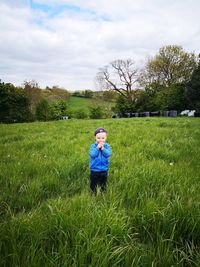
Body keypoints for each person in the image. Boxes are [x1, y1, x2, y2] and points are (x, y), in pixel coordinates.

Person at [89, 127, 112, 195]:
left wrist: (103, 149)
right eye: (98, 138)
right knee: (93, 183)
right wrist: (97, 148)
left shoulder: (107, 146)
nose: (100, 140)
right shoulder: (93, 146)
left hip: (104, 169)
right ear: (95, 137)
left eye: (103, 138)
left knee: (103, 183)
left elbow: (108, 154)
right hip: (94, 169)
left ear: (106, 138)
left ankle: (103, 193)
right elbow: (92, 155)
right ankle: (93, 193)